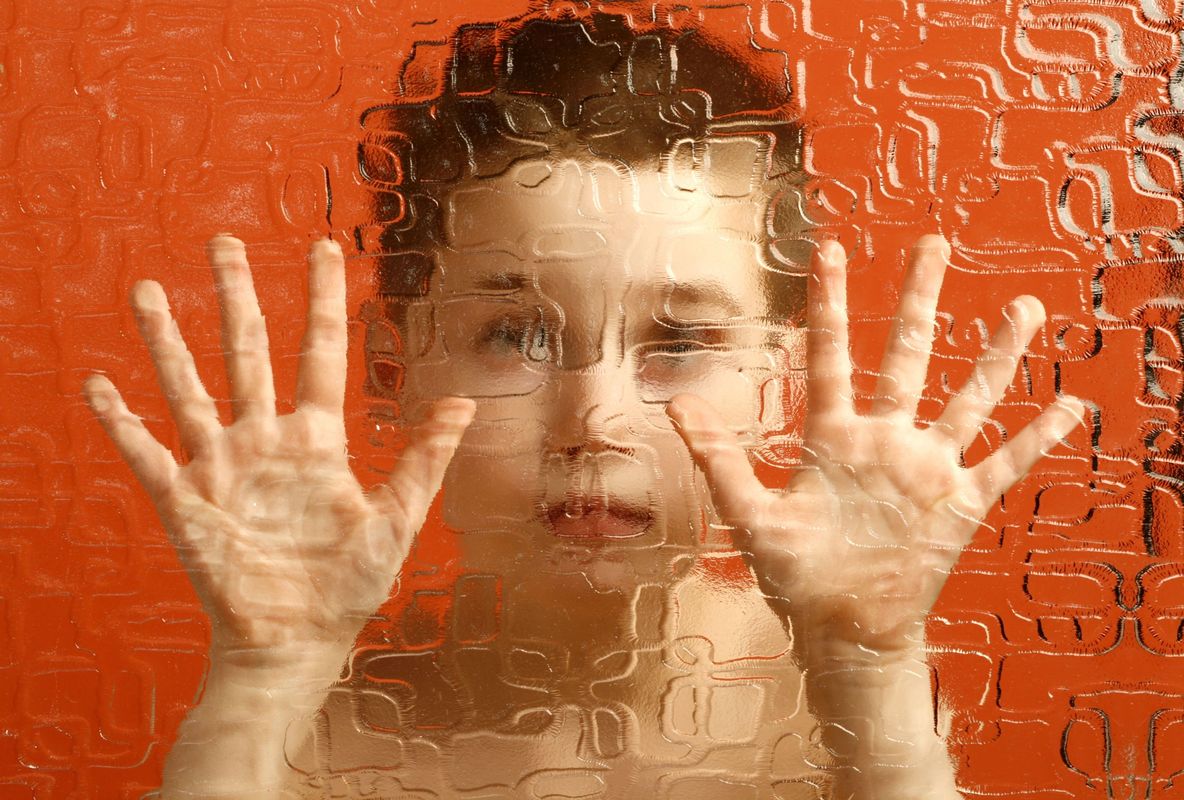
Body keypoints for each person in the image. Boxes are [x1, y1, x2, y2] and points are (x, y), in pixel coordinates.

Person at [82, 11, 1086, 800]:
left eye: (680, 341)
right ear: (393, 370)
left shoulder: (837, 693)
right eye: (513, 334)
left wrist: (868, 670)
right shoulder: (319, 734)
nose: (591, 419)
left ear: (778, 385)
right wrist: (256, 688)